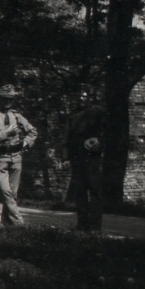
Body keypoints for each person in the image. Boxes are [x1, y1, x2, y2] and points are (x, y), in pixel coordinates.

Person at [0, 84, 37, 227]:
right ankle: (19, 223)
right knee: (6, 192)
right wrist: (6, 133)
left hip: (16, 157)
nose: (8, 102)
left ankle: (7, 224)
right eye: (5, 99)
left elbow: (33, 132)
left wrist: (25, 143)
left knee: (13, 193)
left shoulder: (17, 116)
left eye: (10, 99)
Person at [65, 87, 104, 232]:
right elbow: (67, 136)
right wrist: (65, 155)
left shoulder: (99, 114)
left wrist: (99, 141)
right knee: (79, 191)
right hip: (77, 157)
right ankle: (82, 224)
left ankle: (95, 226)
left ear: (90, 98)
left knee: (94, 190)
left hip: (92, 158)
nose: (81, 99)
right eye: (78, 96)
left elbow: (108, 132)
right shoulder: (72, 115)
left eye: (84, 96)